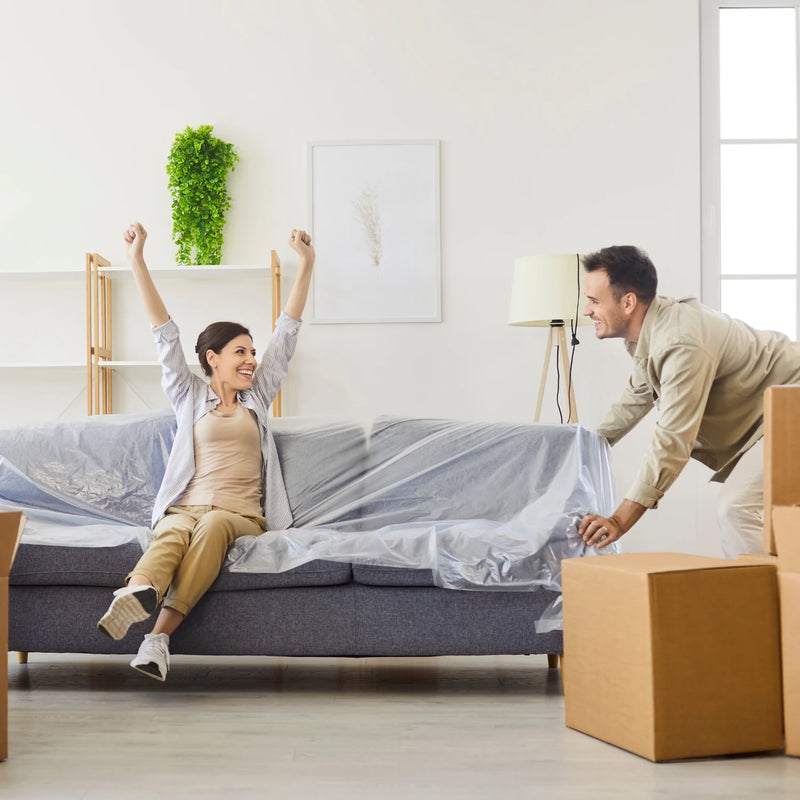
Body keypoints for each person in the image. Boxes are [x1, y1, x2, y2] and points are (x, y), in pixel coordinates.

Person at [97, 222, 315, 681]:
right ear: (213, 358)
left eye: (253, 352)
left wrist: (306, 264)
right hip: (185, 507)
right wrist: (136, 260)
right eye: (241, 352)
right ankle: (135, 594)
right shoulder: (189, 396)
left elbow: (287, 333)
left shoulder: (257, 398)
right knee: (173, 533)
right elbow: (165, 335)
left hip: (240, 515)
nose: (252, 360)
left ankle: (159, 635)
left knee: (213, 524)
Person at [577, 245, 800, 557]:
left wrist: (619, 520)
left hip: (793, 402)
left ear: (628, 302)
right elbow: (635, 400)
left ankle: (764, 603)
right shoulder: (655, 333)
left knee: (736, 509)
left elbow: (673, 439)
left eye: (593, 300)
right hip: (775, 411)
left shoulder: (679, 342)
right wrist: (576, 449)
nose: (586, 310)